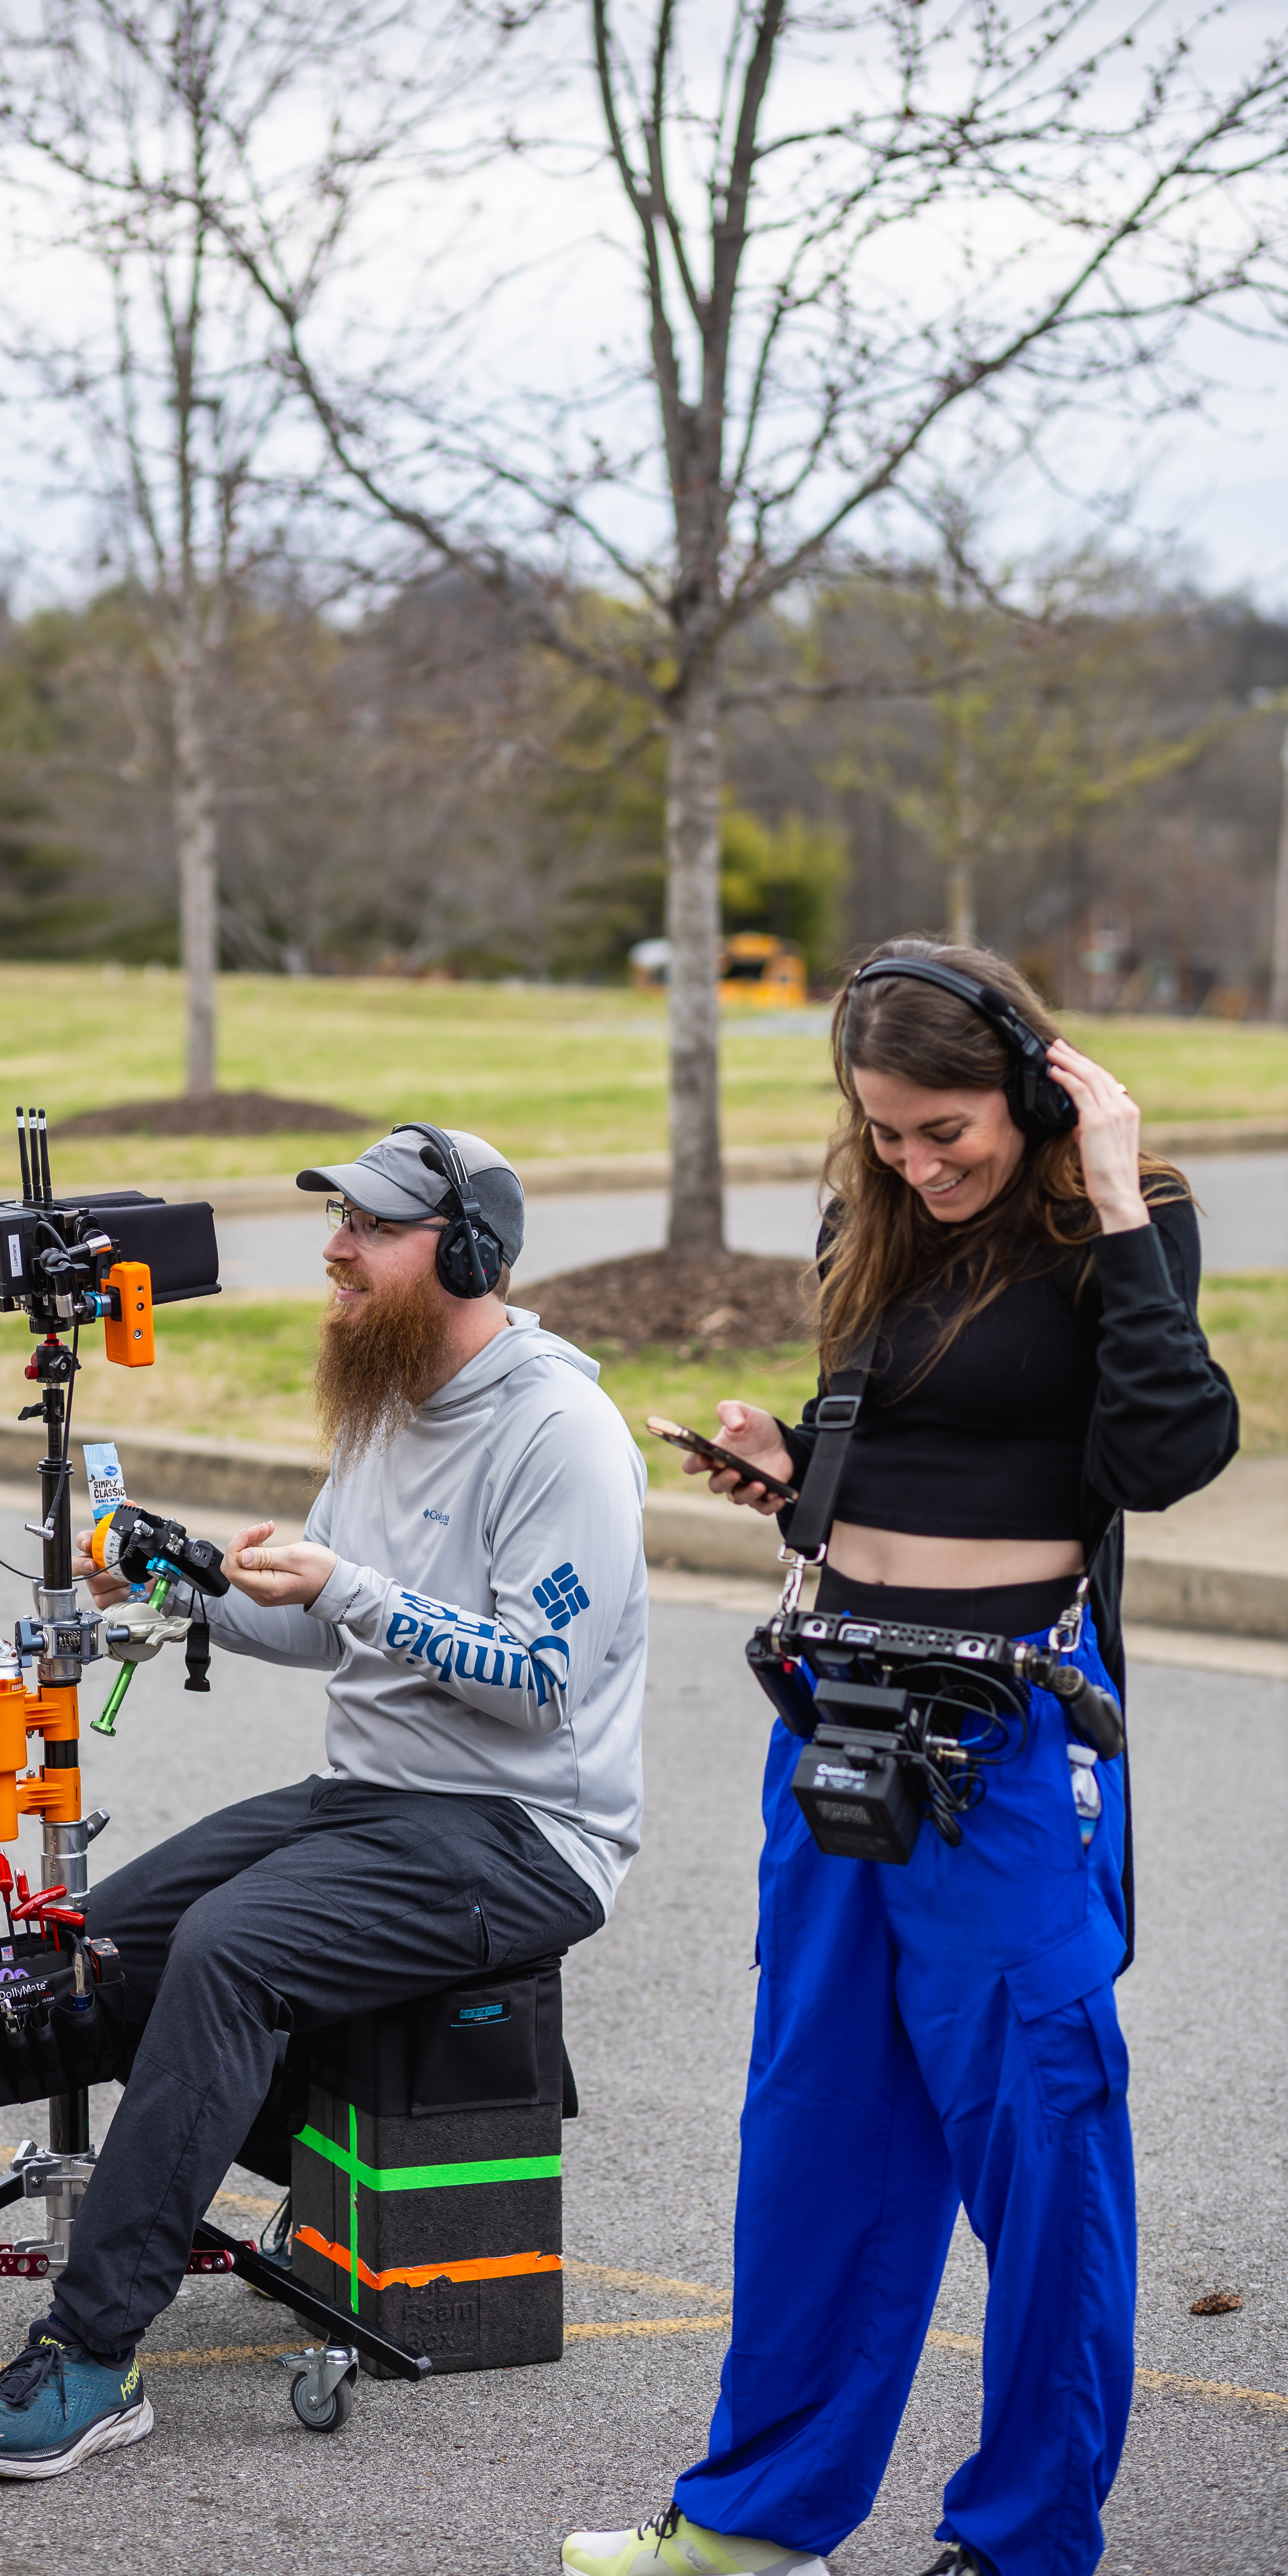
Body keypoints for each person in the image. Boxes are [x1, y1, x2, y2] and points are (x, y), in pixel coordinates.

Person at [563, 941, 1239, 2576]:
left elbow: (1164, 1451)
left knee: (1041, 2135)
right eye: (885, 1132)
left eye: (947, 1130)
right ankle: (755, 2517)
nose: (918, 1163)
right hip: (840, 1715)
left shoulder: (1118, 1217)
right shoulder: (867, 1221)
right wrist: (789, 1465)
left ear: (1027, 1081)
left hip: (1006, 1735)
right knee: (820, 2121)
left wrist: (1111, 1186)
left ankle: (1023, 2541)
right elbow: (900, 1446)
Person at [0, 1122, 649, 2479]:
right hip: (375, 1799)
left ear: (468, 1253)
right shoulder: (388, 1403)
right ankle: (335, 2197)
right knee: (101, 1953)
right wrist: (172, 1587)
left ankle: (92, 2356)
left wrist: (349, 1588)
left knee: (230, 1956)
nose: (336, 1250)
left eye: (371, 1230)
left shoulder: (563, 1433)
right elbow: (326, 1636)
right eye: (342, 1224)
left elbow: (541, 1684)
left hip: (528, 1829)